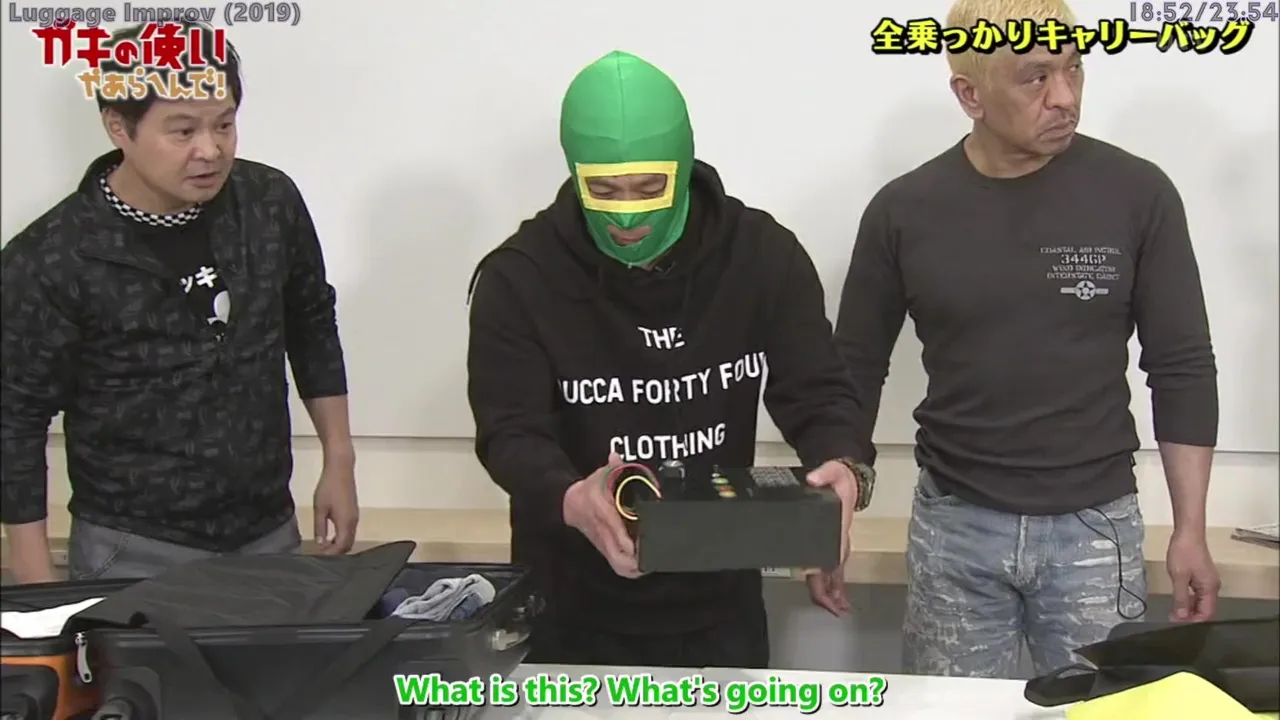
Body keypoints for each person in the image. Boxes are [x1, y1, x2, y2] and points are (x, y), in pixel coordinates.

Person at [835, 0, 1221, 679]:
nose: (1065, 97)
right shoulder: (904, 210)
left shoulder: (1138, 193)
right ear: (970, 95)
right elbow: (853, 372)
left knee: (1098, 713)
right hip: (956, 526)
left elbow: (1181, 365)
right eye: (1036, 77)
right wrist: (832, 508)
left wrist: (1191, 529)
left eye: (1074, 69)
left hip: (1095, 528)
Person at [466, 50, 877, 668]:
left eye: (648, 187)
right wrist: (570, 495)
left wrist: (843, 468)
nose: (628, 214)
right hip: (570, 606)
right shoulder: (518, 277)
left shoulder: (762, 255)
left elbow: (819, 393)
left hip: (721, 603)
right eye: (604, 190)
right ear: (575, 172)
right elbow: (509, 432)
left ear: (682, 166)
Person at [0, 22, 360, 584]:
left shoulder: (268, 203)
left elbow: (311, 322)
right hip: (131, 546)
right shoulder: (50, 256)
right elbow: (15, 422)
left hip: (268, 530)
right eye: (183, 130)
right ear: (118, 126)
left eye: (225, 125)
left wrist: (339, 457)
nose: (210, 150)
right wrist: (35, 581)